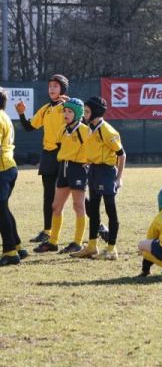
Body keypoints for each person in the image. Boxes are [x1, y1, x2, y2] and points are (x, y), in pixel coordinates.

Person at [71, 96, 126, 260]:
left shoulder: (108, 131)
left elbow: (122, 155)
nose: (84, 114)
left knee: (111, 211)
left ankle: (111, 250)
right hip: (94, 172)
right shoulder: (90, 128)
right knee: (93, 211)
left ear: (95, 112)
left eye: (87, 111)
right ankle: (92, 246)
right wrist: (88, 163)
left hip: (106, 173)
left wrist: (118, 178)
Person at [16, 74, 68, 243]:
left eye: (55, 86)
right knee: (48, 195)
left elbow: (81, 120)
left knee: (76, 193)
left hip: (65, 155)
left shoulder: (68, 106)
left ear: (62, 89)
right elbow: (29, 127)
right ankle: (47, 231)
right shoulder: (46, 109)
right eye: (50, 86)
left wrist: (71, 104)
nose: (51, 88)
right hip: (48, 155)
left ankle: (97, 226)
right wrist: (22, 114)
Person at [33, 98, 89, 254]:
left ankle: (77, 243)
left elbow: (93, 148)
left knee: (78, 206)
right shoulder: (63, 129)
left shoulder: (85, 130)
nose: (66, 113)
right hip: (63, 168)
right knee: (56, 207)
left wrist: (87, 163)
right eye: (65, 110)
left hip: (78, 169)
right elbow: (59, 147)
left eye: (70, 111)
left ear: (78, 114)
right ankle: (53, 242)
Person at [0, 87, 28, 266]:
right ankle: (17, 246)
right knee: (3, 209)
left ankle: (10, 252)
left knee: (1, 211)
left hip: (1, 170)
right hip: (9, 167)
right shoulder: (5, 116)